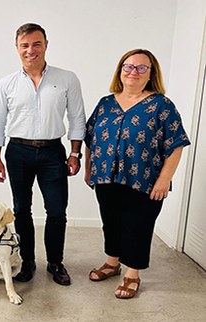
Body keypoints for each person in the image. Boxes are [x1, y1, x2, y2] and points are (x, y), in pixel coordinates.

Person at [84, 49, 190, 299]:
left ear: (151, 73)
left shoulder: (161, 105)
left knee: (138, 225)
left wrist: (165, 179)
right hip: (106, 176)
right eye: (128, 66)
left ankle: (132, 273)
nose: (134, 71)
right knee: (110, 220)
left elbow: (176, 143)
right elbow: (91, 137)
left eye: (142, 67)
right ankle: (112, 263)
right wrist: (89, 168)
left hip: (145, 179)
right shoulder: (106, 103)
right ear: (120, 71)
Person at [0, 23, 86, 286]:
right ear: (17, 48)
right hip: (18, 151)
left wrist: (75, 153)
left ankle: (55, 262)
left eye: (36, 44)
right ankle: (28, 261)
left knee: (56, 210)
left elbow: (77, 118)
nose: (31, 50)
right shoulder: (6, 84)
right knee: (22, 209)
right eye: (25, 45)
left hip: (53, 151)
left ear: (45, 44)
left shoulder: (67, 79)